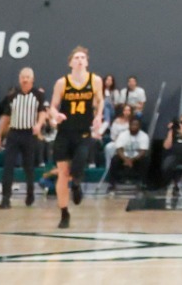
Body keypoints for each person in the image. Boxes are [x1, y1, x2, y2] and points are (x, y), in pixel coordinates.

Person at [47, 47, 104, 229]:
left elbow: (101, 100)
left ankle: (77, 183)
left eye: (82, 58)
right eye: (76, 58)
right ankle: (64, 213)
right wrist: (55, 115)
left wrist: (98, 115)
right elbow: (53, 106)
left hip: (83, 133)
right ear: (70, 62)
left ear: (86, 62)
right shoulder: (62, 83)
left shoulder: (95, 81)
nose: (79, 60)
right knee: (63, 174)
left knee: (78, 165)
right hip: (64, 133)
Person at [0, 67, 45, 209]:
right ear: (19, 78)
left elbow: (42, 113)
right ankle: (5, 198)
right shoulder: (12, 96)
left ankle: (30, 192)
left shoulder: (38, 95)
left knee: (28, 167)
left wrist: (39, 125)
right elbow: (5, 118)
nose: (25, 79)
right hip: (14, 133)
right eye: (23, 76)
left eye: (28, 77)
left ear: (32, 79)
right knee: (8, 166)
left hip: (29, 134)